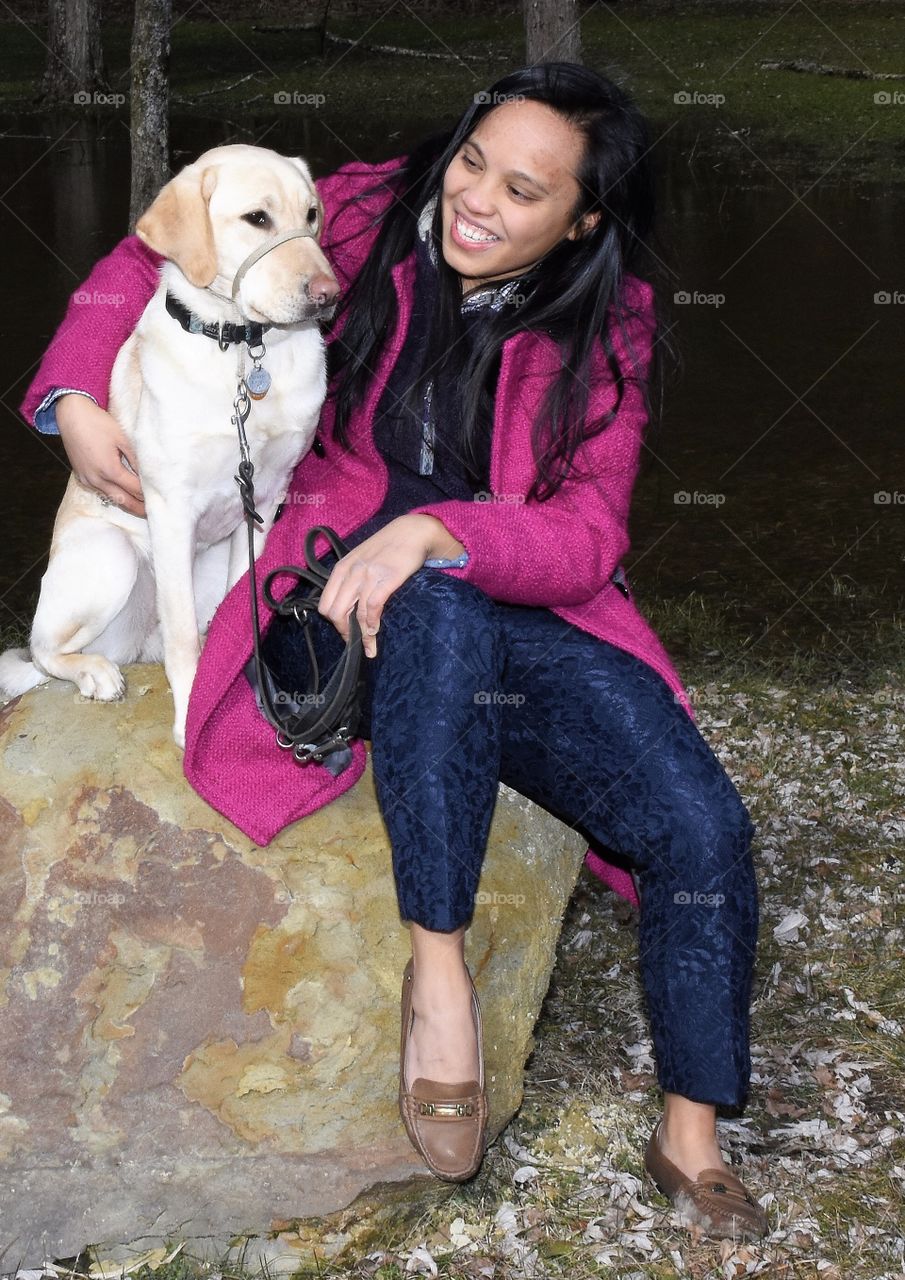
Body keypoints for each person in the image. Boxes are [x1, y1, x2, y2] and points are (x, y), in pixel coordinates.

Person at [21, 63, 768, 1240]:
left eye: (521, 191)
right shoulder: (361, 212)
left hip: (514, 598)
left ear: (580, 221)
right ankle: (439, 974)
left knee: (698, 817)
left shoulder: (608, 318)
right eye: (473, 160)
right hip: (335, 592)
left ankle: (692, 1132)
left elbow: (586, 533)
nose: (474, 198)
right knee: (435, 609)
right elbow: (148, 252)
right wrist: (71, 396)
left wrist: (442, 529)